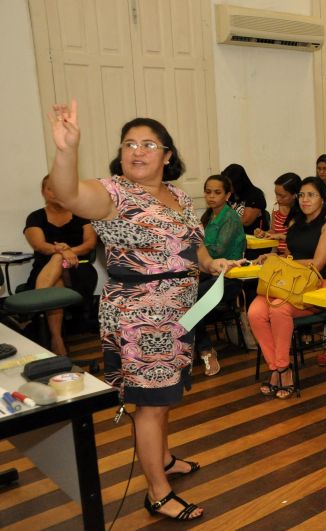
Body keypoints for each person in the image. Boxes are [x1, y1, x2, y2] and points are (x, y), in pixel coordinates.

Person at [47, 100, 242, 521]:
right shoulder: (113, 193)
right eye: (129, 143)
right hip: (139, 316)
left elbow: (194, 243)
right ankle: (157, 492)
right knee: (150, 404)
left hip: (179, 313)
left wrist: (210, 263)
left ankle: (165, 458)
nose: (137, 150)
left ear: (167, 155)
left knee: (166, 394)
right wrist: (66, 150)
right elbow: (68, 193)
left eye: (149, 143)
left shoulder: (175, 195)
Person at [248, 176, 326, 398]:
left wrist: (281, 262)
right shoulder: (294, 223)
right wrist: (272, 258)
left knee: (278, 308)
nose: (305, 200)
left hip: (316, 285)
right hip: (287, 283)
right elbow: (289, 255)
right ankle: (277, 368)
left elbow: (317, 264)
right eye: (301, 195)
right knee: (254, 312)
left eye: (311, 195)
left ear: (323, 199)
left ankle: (282, 369)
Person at [23, 175, 98, 356]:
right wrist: (62, 252)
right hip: (45, 269)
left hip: (79, 268)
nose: (55, 193)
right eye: (50, 188)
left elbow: (89, 244)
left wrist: (67, 252)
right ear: (43, 192)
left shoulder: (82, 215)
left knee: (57, 260)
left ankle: (41, 312)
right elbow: (39, 245)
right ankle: (57, 339)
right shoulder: (35, 217)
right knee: (56, 269)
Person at [194, 174, 246, 376]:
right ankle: (194, 347)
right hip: (209, 273)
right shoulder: (209, 216)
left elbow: (217, 250)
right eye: (208, 192)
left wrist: (196, 251)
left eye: (217, 192)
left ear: (227, 195)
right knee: (182, 295)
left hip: (229, 278)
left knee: (193, 300)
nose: (211, 196)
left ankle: (205, 349)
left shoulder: (231, 217)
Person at [254, 172, 301, 255]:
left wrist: (280, 236)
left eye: (282, 196)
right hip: (279, 254)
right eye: (276, 194)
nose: (278, 199)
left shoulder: (303, 212)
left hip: (295, 256)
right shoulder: (276, 208)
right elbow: (273, 231)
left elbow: (300, 240)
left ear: (295, 195)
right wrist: (264, 234)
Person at [222, 163, 268, 235]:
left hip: (254, 239)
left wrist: (222, 221)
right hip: (234, 238)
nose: (227, 187)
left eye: (230, 184)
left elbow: (246, 221)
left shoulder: (255, 194)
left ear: (239, 183)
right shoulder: (230, 194)